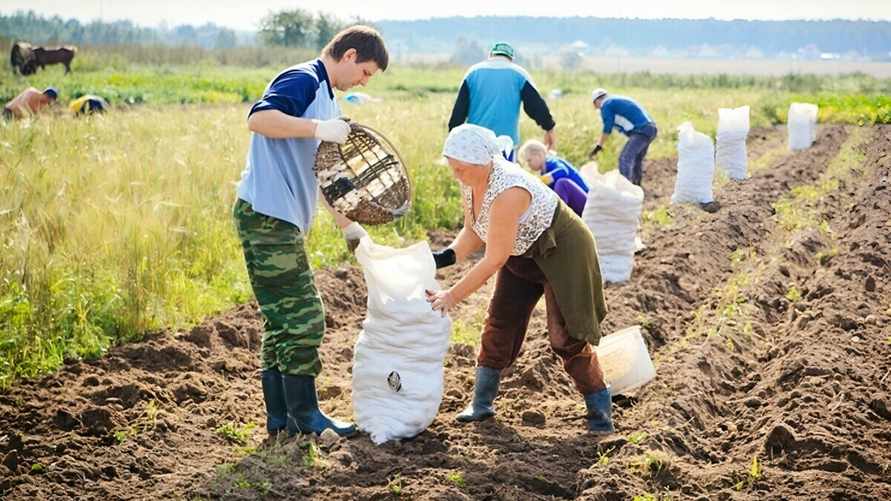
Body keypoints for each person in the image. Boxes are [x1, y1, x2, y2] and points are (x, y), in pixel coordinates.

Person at [233, 25, 388, 440]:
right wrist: (317, 129)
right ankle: (307, 417)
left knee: (281, 321)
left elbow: (327, 178)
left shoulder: (327, 99)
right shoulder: (303, 77)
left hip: (280, 216)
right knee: (305, 319)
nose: (364, 81)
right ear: (350, 55)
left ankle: (280, 419)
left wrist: (350, 227)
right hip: (266, 212)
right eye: (367, 72)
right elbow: (259, 118)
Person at [427, 124, 614, 435]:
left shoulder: (509, 191)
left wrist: (452, 295)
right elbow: (474, 230)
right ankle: (481, 403)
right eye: (452, 166)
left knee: (564, 336)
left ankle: (600, 409)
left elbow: (494, 258)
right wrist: (444, 257)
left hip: (561, 252)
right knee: (500, 320)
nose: (456, 174)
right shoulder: (471, 181)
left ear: (482, 162)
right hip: (521, 251)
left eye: (460, 168)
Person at [447, 42, 556, 160]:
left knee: (474, 178)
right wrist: (549, 127)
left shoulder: (473, 73)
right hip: (506, 144)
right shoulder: (519, 74)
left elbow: (459, 110)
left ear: (490, 55)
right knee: (504, 178)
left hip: (476, 143)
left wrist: (453, 140)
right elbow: (536, 106)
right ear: (510, 58)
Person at [588, 88, 657, 188]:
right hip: (650, 129)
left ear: (597, 101)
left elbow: (608, 127)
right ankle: (636, 187)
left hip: (641, 130)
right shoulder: (615, 100)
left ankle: (625, 189)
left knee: (625, 158)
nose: (597, 108)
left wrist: (599, 145)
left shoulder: (606, 105)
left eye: (595, 105)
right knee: (636, 159)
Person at [518, 139, 589, 216]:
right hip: (577, 205)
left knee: (562, 183)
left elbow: (563, 171)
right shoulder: (544, 171)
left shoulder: (551, 161)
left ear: (539, 155)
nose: (529, 164)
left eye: (529, 160)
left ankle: (559, 215)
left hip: (586, 202)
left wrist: (541, 180)